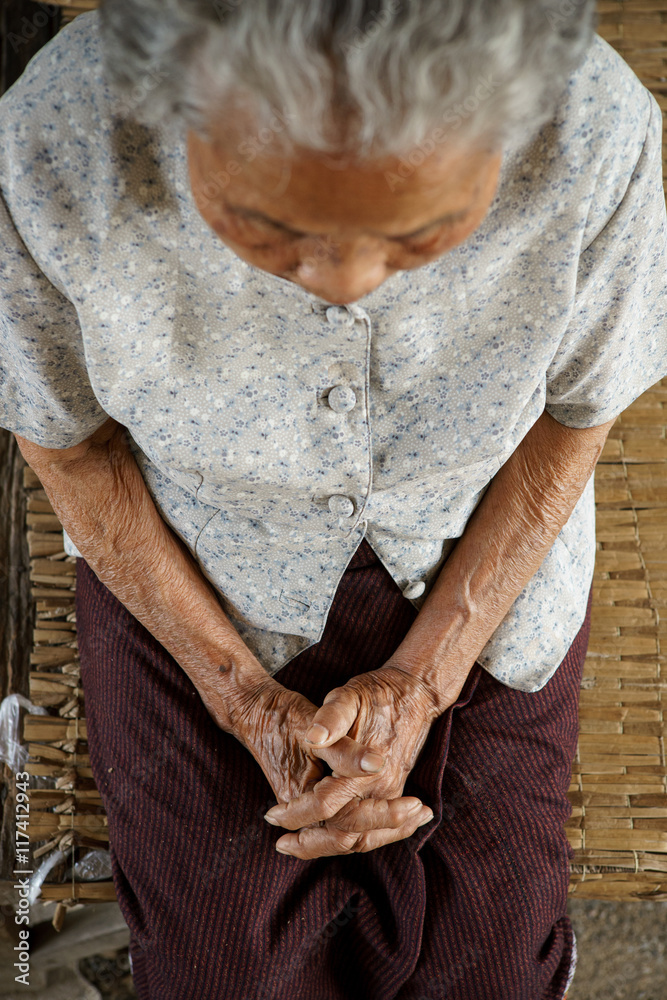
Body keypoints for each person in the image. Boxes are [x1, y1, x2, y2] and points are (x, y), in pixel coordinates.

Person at [1, 1, 666, 996]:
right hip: (191, 556)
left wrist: (424, 686)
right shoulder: (58, 137)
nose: (346, 285)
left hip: (483, 541)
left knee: (487, 959)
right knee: (222, 962)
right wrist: (241, 698)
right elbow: (75, 449)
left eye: (424, 234)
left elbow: (569, 425)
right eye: (270, 228)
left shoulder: (594, 126)